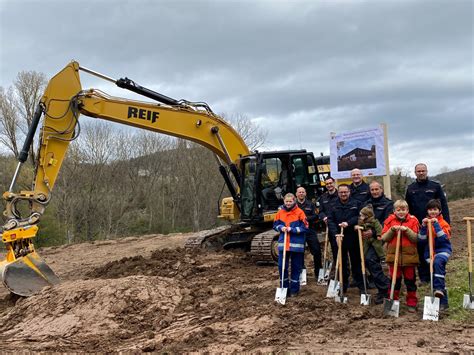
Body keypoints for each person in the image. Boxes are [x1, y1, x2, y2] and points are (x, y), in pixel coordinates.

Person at [405, 163, 450, 284]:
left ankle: (437, 273)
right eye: (418, 171)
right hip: (419, 225)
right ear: (415, 173)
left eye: (423, 171)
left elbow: (443, 205)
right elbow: (407, 207)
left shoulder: (435, 186)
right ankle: (424, 277)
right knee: (421, 249)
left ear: (426, 171)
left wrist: (446, 222)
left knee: (435, 247)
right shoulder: (411, 188)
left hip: (434, 223)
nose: (421, 173)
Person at [381, 200, 420, 312]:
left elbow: (416, 238)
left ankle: (412, 302)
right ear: (394, 211)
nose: (401, 212)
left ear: (407, 210)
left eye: (403, 209)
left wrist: (407, 230)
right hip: (394, 257)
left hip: (409, 257)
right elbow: (384, 238)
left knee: (410, 281)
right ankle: (393, 300)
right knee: (394, 280)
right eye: (398, 210)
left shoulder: (413, 221)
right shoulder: (390, 221)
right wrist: (392, 230)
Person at [361, 181, 393, 304]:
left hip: (382, 239)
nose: (374, 192)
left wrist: (374, 232)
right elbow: (362, 218)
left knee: (371, 260)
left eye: (377, 189)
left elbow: (387, 222)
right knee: (367, 260)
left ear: (381, 190)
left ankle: (384, 289)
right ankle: (385, 284)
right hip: (368, 240)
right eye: (372, 190)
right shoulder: (367, 204)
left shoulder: (388, 204)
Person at [327, 184, 363, 293]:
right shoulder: (333, 205)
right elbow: (330, 221)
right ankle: (343, 286)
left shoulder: (356, 203)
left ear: (349, 192)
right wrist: (335, 234)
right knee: (341, 262)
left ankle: (361, 285)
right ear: (338, 193)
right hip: (339, 237)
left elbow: (359, 217)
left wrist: (349, 223)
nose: (343, 194)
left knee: (356, 261)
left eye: (345, 192)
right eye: (341, 192)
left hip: (352, 236)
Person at [417, 199, 452, 310]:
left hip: (443, 251)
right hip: (430, 253)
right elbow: (421, 241)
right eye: (430, 209)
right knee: (435, 275)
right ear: (427, 211)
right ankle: (443, 303)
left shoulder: (443, 223)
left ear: (440, 210)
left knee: (437, 263)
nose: (433, 212)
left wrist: (436, 225)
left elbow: (443, 239)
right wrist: (423, 227)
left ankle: (439, 290)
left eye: (435, 209)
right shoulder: (426, 224)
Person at [273, 193, 308, 297]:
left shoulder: (300, 212)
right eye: (286, 201)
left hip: (296, 246)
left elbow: (305, 227)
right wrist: (280, 228)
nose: (288, 203)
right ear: (284, 202)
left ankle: (294, 290)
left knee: (295, 267)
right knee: (281, 267)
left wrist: (292, 230)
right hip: (283, 244)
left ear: (294, 201)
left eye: (290, 201)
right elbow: (275, 225)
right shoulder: (280, 212)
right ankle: (284, 288)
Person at [296, 186, 322, 281]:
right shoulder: (293, 205)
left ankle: (318, 273)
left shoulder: (311, 204)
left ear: (305, 193)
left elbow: (316, 216)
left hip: (310, 230)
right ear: (296, 194)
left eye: (303, 192)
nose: (301, 194)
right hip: (298, 231)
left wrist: (306, 218)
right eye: (299, 192)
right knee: (299, 252)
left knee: (317, 251)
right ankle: (302, 274)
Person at [317, 176, 339, 270]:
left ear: (334, 183)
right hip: (330, 226)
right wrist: (323, 217)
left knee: (344, 249)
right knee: (335, 248)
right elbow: (320, 211)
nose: (329, 185)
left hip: (341, 225)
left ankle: (346, 270)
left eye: (330, 183)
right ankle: (338, 269)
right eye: (327, 184)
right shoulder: (323, 197)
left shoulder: (340, 194)